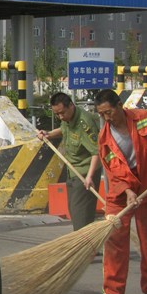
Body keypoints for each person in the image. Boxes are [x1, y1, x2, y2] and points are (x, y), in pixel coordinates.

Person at [94, 89, 147, 294]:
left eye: (109, 112)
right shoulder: (104, 139)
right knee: (114, 239)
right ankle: (114, 292)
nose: (106, 118)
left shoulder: (143, 118)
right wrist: (128, 191)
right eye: (101, 114)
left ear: (120, 105)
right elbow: (112, 172)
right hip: (120, 191)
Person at [37, 92, 101, 230]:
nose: (60, 117)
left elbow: (96, 152)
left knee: (81, 217)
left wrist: (89, 177)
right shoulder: (68, 119)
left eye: (62, 113)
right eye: (57, 114)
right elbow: (64, 129)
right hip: (72, 171)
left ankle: (84, 243)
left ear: (71, 106)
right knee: (74, 211)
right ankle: (84, 242)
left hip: (84, 173)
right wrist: (48, 134)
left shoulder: (84, 123)